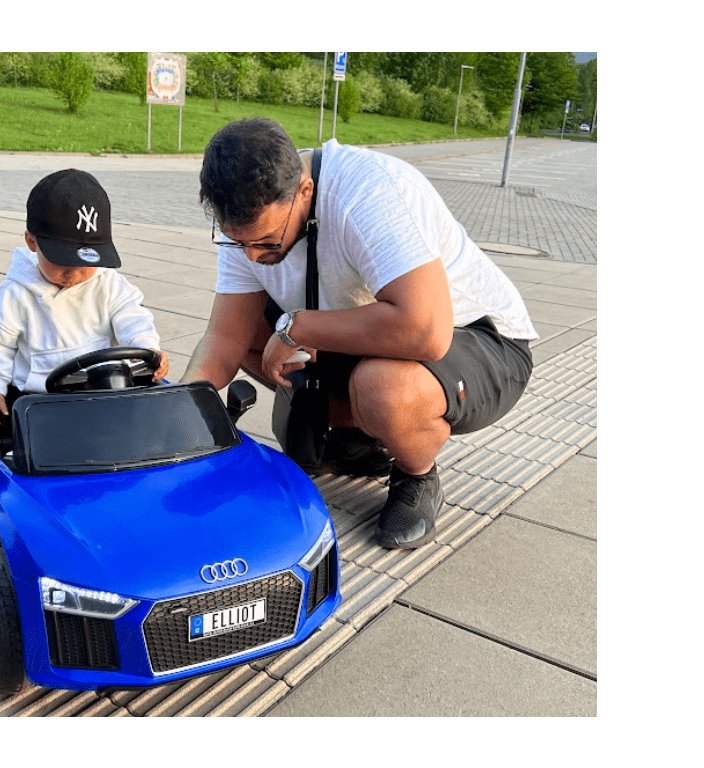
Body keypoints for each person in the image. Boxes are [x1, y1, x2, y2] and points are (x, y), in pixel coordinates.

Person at [182, 118, 537, 549]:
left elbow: (426, 331)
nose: (252, 256)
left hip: (481, 338)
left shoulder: (369, 193)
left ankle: (417, 476)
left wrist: (298, 327)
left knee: (382, 388)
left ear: (305, 191)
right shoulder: (248, 228)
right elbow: (224, 341)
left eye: (268, 242)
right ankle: (358, 440)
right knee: (254, 339)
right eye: (238, 243)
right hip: (377, 331)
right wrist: (178, 413)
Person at [0, 168, 169, 434]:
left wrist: (148, 348)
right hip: (39, 403)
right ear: (32, 242)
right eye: (62, 262)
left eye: (86, 263)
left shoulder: (109, 284)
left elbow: (133, 318)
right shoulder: (15, 294)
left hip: (103, 393)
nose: (74, 274)